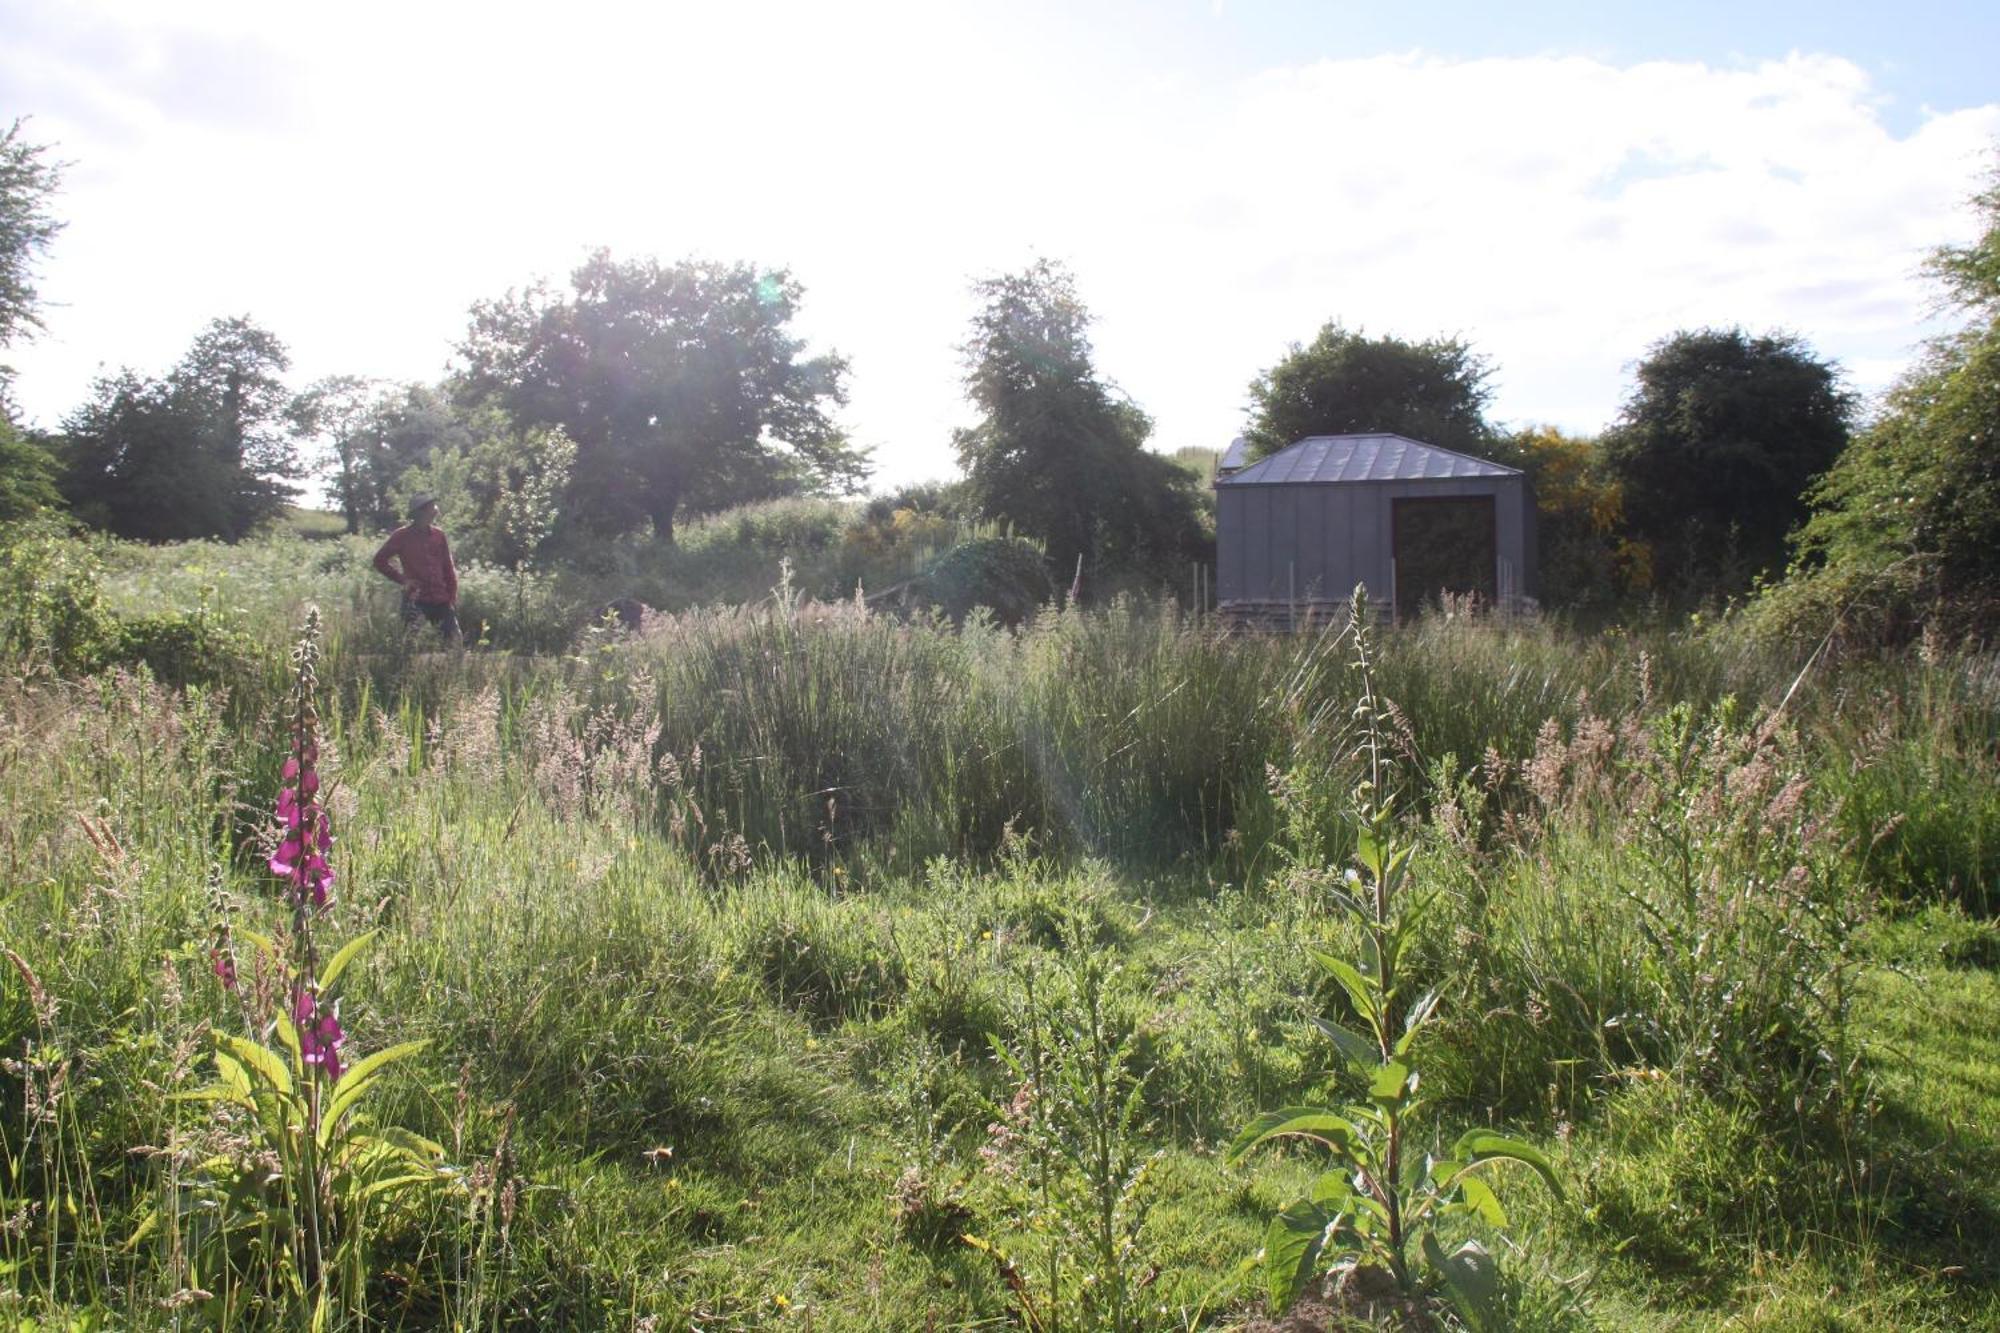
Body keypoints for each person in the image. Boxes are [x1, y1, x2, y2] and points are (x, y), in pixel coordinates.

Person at [372, 495, 461, 643]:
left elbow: (448, 568)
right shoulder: (401, 536)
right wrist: (403, 580)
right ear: (420, 512)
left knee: (456, 644)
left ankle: (455, 667)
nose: (436, 511)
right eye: (432, 507)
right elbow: (379, 561)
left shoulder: (439, 535)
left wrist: (451, 596)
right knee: (408, 645)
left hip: (441, 598)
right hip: (415, 599)